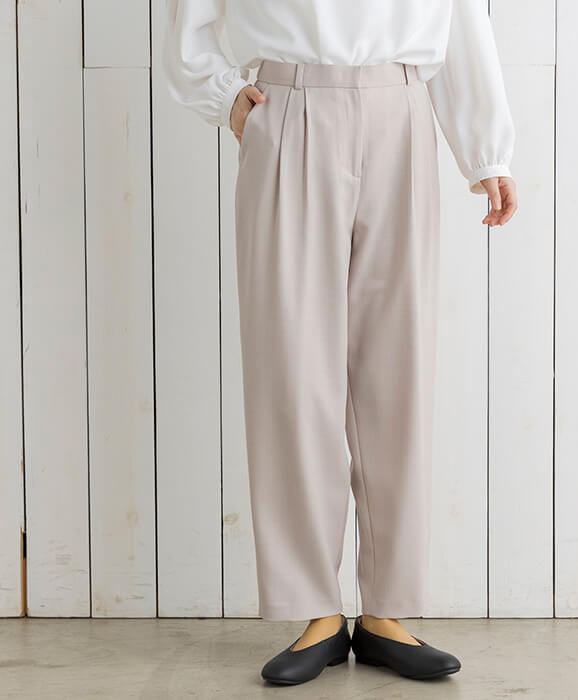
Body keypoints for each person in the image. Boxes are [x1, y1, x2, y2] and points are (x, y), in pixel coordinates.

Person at [163, 0, 517, 686]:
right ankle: (314, 612)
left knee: (398, 370)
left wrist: (485, 149)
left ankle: (387, 612)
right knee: (291, 370)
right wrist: (226, 97)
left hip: (401, 107)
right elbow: (189, 23)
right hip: (287, 105)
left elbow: (460, 18)